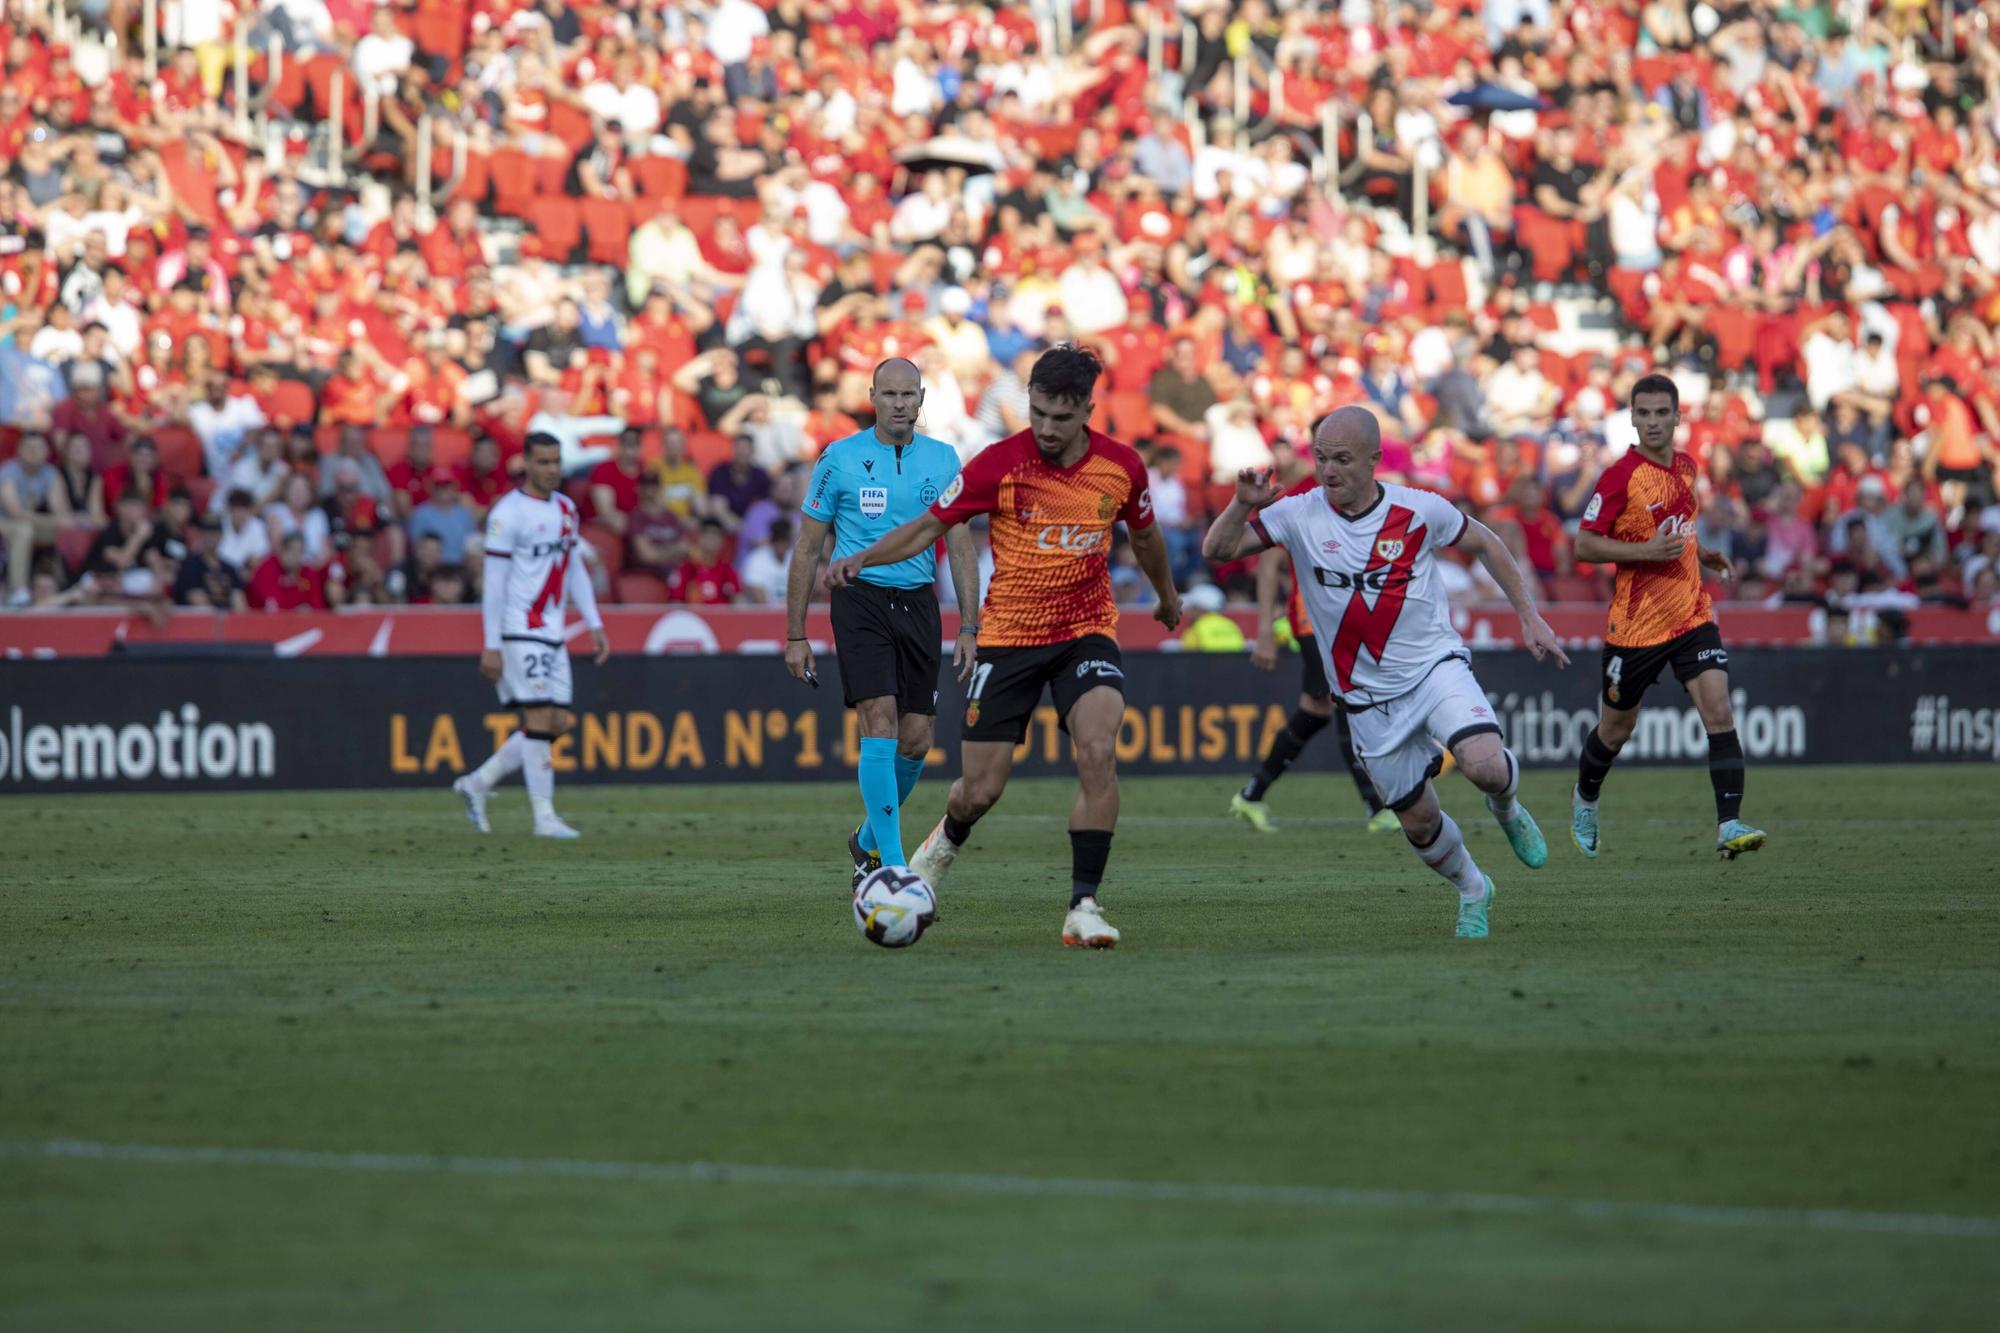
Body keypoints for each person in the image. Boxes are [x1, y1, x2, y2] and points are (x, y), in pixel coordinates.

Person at [829, 345, 1182, 949]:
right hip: (1010, 638)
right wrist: (865, 555)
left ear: (1088, 411)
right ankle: (944, 841)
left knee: (1097, 749)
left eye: (1060, 418)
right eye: (1037, 412)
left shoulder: (1121, 467)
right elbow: (928, 526)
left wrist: (1167, 597)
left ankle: (1084, 905)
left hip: (1085, 630)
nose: (1045, 427)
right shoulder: (999, 463)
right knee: (979, 791)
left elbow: (1145, 539)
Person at [1201, 407, 1568, 940]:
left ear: (1374, 460)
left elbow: (1486, 542)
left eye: (1342, 459)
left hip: (1432, 669)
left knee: (1485, 764)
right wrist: (1240, 504)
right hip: (1365, 699)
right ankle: (1473, 888)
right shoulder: (1298, 513)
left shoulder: (1419, 510)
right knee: (1418, 822)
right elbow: (1218, 550)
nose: (1329, 471)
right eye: (1322, 458)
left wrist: (1530, 617)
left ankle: (1507, 808)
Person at [788, 358, 978, 884]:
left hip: (919, 603)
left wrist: (969, 625)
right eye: (889, 393)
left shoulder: (943, 460)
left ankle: (866, 840)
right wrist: (796, 634)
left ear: (921, 400)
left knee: (916, 741)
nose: (899, 403)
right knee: (880, 723)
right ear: (872, 396)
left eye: (908, 394)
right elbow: (808, 550)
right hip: (860, 599)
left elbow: (960, 550)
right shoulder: (839, 458)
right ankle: (890, 867)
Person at [1571, 374, 1769, 861]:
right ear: (1633, 418)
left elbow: (1680, 533)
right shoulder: (1619, 477)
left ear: (1678, 417)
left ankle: (1728, 825)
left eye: (1663, 413)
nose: (1654, 422)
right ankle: (1586, 797)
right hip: (1637, 627)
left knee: (1719, 711)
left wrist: (1703, 559)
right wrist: (1644, 549)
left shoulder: (1686, 467)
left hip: (1691, 613)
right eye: (1645, 413)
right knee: (1616, 730)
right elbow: (1584, 544)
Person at [452, 434, 610, 840]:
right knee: (540, 719)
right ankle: (544, 818)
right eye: (543, 462)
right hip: (519, 628)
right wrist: (491, 644)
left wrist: (594, 623)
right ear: (526, 463)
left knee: (559, 721)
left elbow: (574, 568)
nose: (552, 469)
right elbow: (495, 583)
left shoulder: (566, 509)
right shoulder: (508, 514)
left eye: (556, 461)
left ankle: (477, 782)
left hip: (553, 631)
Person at [1230, 469, 1401, 837]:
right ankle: (1376, 807)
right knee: (1344, 703)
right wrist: (1263, 631)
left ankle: (1252, 794)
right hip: (1313, 620)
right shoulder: (1303, 498)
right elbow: (1271, 562)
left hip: (1345, 618)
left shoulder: (1363, 494)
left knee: (1317, 709)